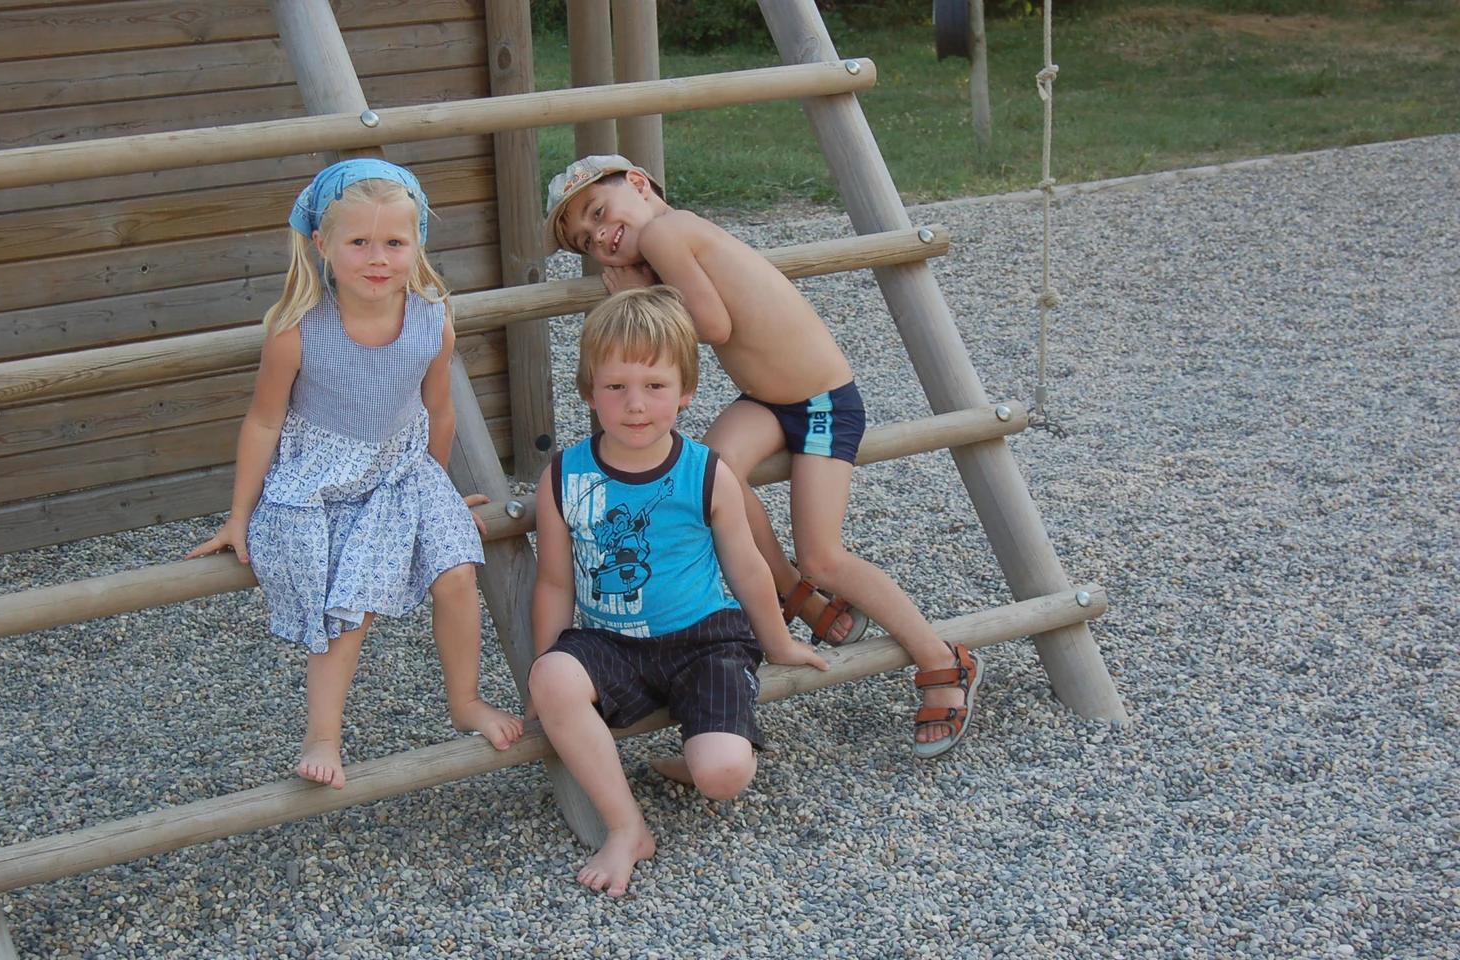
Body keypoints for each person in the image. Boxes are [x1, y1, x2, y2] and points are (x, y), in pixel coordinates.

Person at [543, 156, 983, 760]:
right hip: (771, 400)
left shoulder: (668, 233)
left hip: (822, 403)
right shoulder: (669, 237)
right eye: (586, 241)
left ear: (639, 184)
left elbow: (714, 324)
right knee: (712, 470)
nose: (600, 238)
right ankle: (796, 597)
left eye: (599, 212)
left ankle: (942, 658)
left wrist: (641, 294)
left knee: (824, 555)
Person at [189, 159, 523, 790]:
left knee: (457, 569)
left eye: (395, 243)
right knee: (347, 602)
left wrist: (439, 492)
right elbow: (263, 423)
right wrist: (239, 515)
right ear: (323, 245)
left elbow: (438, 410)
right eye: (359, 243)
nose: (378, 258)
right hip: (325, 480)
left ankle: (466, 700)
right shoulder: (297, 334)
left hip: (403, 469)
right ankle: (323, 733)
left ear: (416, 243)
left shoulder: (431, 321)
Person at [529, 286, 830, 897]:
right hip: (608, 640)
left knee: (723, 774)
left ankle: (696, 758)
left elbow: (746, 568)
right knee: (553, 678)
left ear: (685, 390)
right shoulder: (565, 475)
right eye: (615, 387)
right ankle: (626, 826)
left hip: (704, 641)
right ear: (590, 392)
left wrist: (778, 641)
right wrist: (543, 673)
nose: (635, 405)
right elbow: (556, 580)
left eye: (654, 386)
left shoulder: (706, 471)